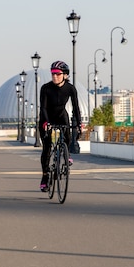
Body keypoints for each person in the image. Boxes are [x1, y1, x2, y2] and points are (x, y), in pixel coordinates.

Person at [38, 60, 82, 192]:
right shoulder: (46, 88)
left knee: (67, 134)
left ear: (65, 75)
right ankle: (45, 177)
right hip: (46, 117)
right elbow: (43, 108)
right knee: (46, 147)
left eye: (58, 74)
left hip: (61, 115)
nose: (55, 76)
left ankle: (65, 155)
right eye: (53, 74)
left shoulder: (70, 89)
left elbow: (76, 107)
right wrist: (46, 122)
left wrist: (79, 124)